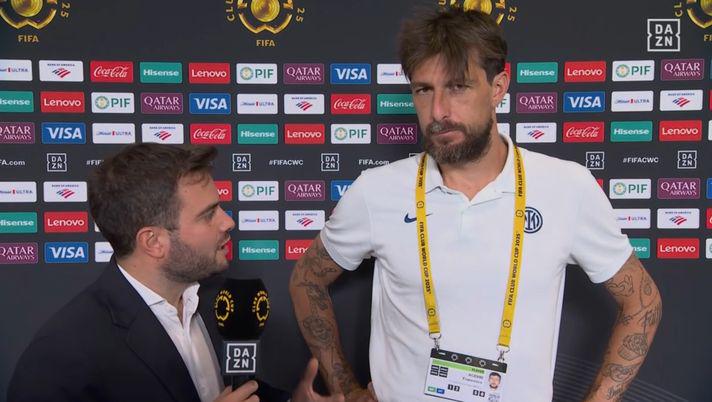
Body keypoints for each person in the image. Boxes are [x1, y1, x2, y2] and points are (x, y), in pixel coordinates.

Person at [289, 7, 662, 402]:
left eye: (458, 87)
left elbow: (642, 302)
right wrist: (345, 389)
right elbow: (307, 280)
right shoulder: (376, 191)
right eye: (423, 90)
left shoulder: (567, 187)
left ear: (498, 87)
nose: (438, 112)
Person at [8, 143, 343, 402]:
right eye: (208, 214)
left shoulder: (218, 304)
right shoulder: (63, 353)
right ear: (154, 242)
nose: (228, 222)